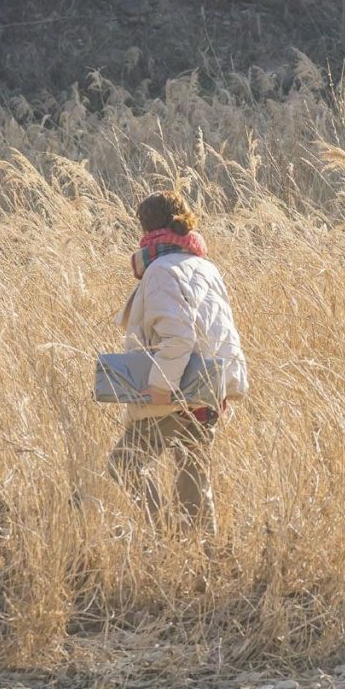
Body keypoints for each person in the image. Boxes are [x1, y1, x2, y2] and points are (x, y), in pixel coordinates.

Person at [108, 191, 250, 530]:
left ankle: (163, 535)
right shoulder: (205, 266)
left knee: (124, 464)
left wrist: (160, 386)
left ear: (145, 229)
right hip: (211, 389)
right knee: (193, 481)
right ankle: (201, 558)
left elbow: (179, 336)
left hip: (176, 394)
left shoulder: (160, 270)